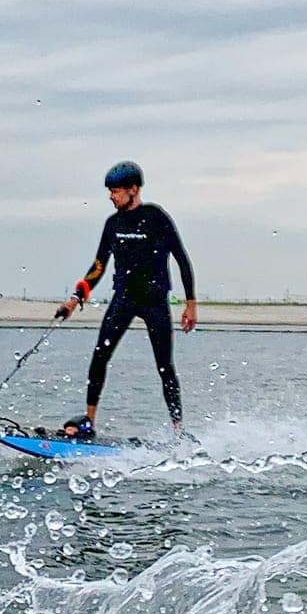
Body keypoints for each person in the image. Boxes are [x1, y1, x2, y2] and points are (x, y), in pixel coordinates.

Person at [54, 160, 196, 440]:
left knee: (165, 366)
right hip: (124, 299)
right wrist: (75, 298)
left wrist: (190, 304)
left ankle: (178, 431)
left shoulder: (156, 217)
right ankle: (89, 422)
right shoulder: (113, 224)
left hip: (154, 301)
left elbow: (182, 259)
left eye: (116, 191)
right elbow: (98, 266)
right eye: (110, 191)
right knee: (100, 356)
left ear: (134, 189)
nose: (111, 196)